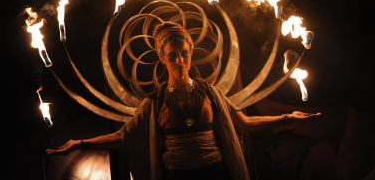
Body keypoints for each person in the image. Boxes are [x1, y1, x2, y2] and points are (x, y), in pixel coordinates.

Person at [47, 22, 320, 180]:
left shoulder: (210, 92)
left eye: (184, 54)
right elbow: (121, 137)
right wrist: (78, 144)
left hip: (216, 173)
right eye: (173, 55)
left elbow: (245, 122)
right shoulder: (154, 102)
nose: (180, 60)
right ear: (162, 58)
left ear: (191, 54)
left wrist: (287, 118)